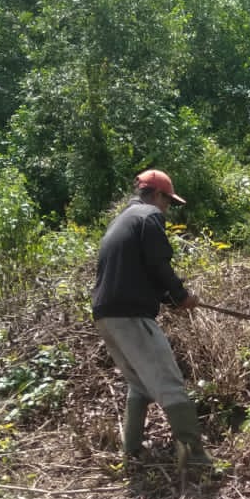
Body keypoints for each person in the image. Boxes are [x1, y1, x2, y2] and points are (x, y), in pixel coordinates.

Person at [91, 168, 212, 470]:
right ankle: (195, 459)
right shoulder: (149, 217)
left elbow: (140, 271)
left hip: (106, 315)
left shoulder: (122, 220)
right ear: (157, 195)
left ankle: (131, 452)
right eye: (168, 202)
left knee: (140, 385)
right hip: (130, 314)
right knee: (171, 384)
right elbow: (159, 266)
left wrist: (171, 300)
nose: (167, 209)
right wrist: (182, 296)